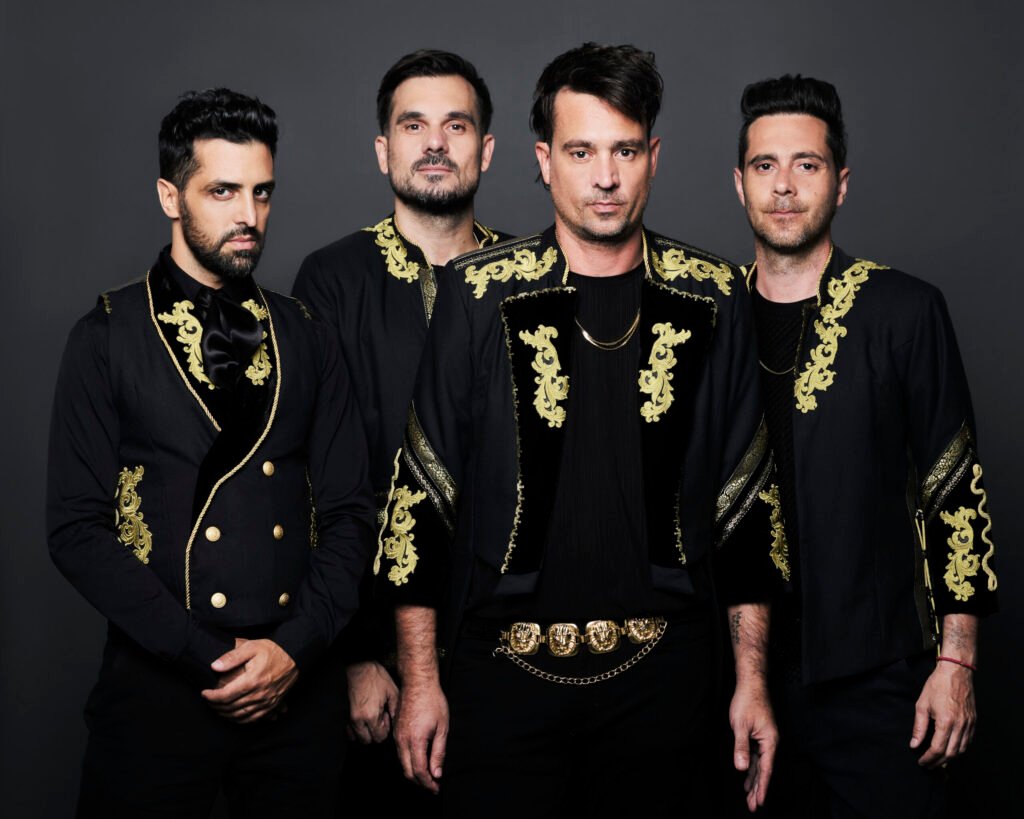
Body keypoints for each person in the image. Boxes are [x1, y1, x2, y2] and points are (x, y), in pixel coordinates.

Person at [376, 43, 778, 816]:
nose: (605, 177)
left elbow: (748, 505)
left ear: (653, 157)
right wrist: (420, 678)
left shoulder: (715, 294)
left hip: (669, 677)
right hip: (503, 676)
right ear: (544, 161)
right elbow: (421, 500)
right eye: (581, 151)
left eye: (624, 150)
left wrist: (753, 680)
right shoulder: (476, 294)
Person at [46, 88, 374, 817]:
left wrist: (294, 649)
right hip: (158, 690)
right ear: (171, 195)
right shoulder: (105, 336)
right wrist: (209, 657)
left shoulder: (308, 334)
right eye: (222, 191)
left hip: (296, 691)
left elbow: (352, 512)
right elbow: (75, 530)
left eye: (262, 191)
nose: (248, 215)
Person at [733, 74, 998, 817]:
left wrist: (956, 662)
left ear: (841, 184)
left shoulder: (905, 310)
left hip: (879, 676)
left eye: (807, 165)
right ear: (739, 183)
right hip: (735, 679)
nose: (784, 186)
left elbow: (956, 492)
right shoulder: (710, 317)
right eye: (765, 165)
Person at [291, 50, 508, 804]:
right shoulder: (332, 278)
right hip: (375, 659)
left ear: (486, 149)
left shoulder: (529, 277)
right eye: (414, 125)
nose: (435, 142)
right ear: (384, 149)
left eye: (457, 125)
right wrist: (352, 654)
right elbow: (311, 475)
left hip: (507, 650)